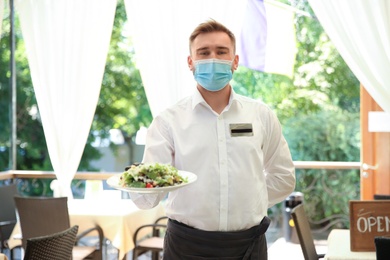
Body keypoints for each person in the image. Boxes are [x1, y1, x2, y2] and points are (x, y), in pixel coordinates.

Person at [129, 19, 295, 259]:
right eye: (204, 52)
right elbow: (146, 199)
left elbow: (283, 178)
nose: (213, 58)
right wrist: (137, 184)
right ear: (191, 62)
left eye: (221, 51)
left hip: (248, 245)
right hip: (186, 246)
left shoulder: (261, 115)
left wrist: (246, 201)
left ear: (235, 61)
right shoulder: (168, 121)